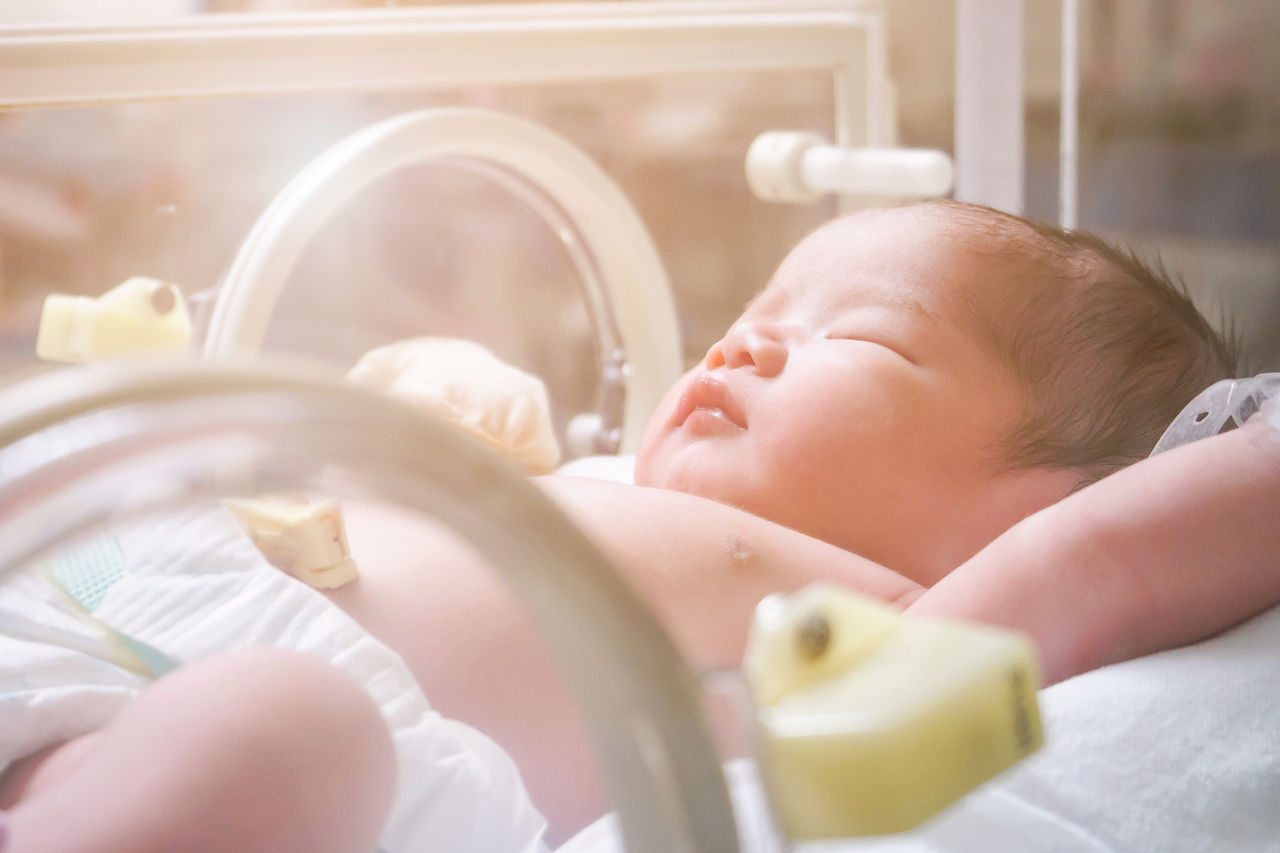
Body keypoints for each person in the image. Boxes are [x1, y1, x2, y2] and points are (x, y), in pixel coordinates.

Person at [1, 201, 1277, 852]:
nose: (745, 338)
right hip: (92, 582)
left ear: (1032, 509)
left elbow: (1149, 539)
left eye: (865, 333)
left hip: (260, 738)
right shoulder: (592, 479)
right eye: (758, 304)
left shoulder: (891, 632)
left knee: (278, 724)